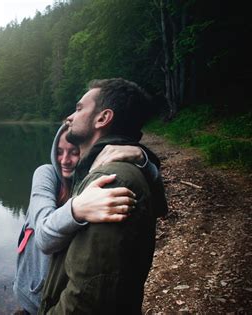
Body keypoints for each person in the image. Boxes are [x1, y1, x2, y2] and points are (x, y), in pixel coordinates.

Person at [38, 78, 168, 314]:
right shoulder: (99, 170)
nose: (69, 117)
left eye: (78, 109)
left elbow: (87, 296)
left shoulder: (110, 180)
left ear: (103, 118)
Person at [14, 122, 160, 314]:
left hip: (63, 296)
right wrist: (77, 208)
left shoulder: (95, 178)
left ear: (85, 150)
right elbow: (44, 237)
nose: (64, 160)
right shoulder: (46, 174)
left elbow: (159, 207)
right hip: (33, 296)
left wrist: (143, 160)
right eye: (59, 151)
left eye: (73, 152)